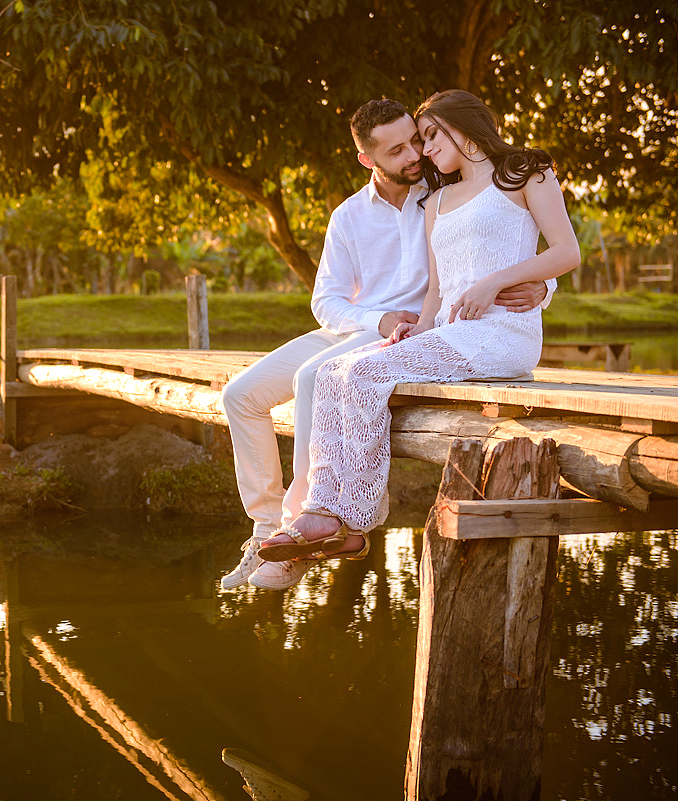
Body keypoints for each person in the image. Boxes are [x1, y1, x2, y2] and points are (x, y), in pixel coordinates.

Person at [219, 97, 551, 591]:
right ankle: (266, 527)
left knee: (313, 378)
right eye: (398, 149)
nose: (416, 153)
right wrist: (376, 320)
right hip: (360, 328)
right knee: (238, 395)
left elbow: (508, 243)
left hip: (425, 333)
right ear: (368, 159)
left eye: (418, 140)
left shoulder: (446, 189)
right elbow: (326, 300)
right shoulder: (349, 216)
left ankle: (303, 531)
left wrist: (542, 288)